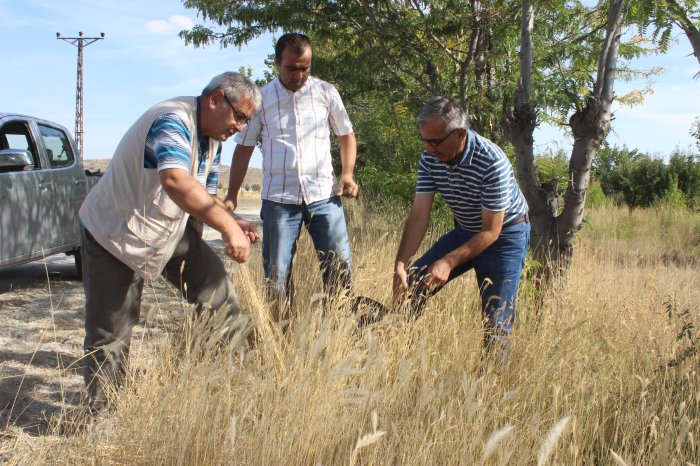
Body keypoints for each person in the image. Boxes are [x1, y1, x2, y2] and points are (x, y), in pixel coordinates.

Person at [78, 72, 261, 408]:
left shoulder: (213, 140)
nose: (240, 127)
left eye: (246, 122)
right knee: (111, 335)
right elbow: (175, 180)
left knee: (217, 292)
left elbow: (204, 197)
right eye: (240, 117)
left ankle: (230, 391)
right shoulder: (173, 120)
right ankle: (100, 418)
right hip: (115, 234)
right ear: (216, 98)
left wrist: (233, 220)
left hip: (164, 232)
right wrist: (228, 230)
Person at [225, 33, 358, 318]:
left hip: (324, 196)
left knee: (339, 271)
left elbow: (346, 134)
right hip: (279, 200)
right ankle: (281, 339)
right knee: (276, 277)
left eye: (305, 67)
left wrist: (347, 173)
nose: (299, 74)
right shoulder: (261, 99)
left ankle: (339, 333)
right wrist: (232, 197)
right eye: (292, 68)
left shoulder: (325, 92)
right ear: (277, 63)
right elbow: (244, 148)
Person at [393, 97, 530, 356]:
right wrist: (400, 263)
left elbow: (491, 231)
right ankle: (398, 358)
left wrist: (448, 262)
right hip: (466, 229)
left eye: (435, 142)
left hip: (505, 235)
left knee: (496, 320)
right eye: (425, 141)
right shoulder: (429, 158)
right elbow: (420, 214)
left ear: (460, 135)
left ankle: (492, 389)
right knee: (411, 286)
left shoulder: (493, 162)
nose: (429, 150)